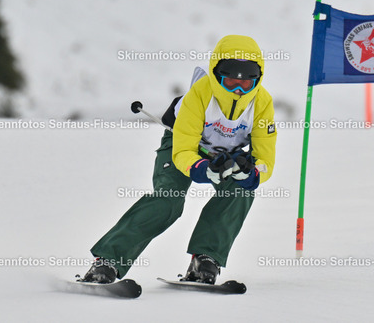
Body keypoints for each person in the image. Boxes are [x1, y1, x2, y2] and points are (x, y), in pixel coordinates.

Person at [80, 35, 277, 285]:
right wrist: (201, 168)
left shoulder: (262, 102)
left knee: (240, 192)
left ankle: (205, 259)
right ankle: (107, 261)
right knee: (168, 201)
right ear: (217, 76)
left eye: (246, 83)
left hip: (227, 155)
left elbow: (265, 157)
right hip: (181, 145)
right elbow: (183, 150)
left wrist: (251, 172)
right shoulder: (200, 95)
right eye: (231, 81)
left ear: (257, 80)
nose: (238, 89)